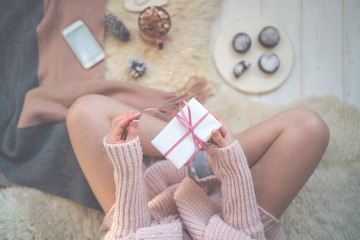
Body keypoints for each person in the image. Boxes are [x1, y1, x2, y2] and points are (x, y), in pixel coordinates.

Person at [66, 94, 330, 239]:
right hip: (233, 218)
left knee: (84, 112)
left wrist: (127, 162)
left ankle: (182, 146)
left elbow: (129, 232)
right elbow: (244, 233)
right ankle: (199, 149)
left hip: (143, 216)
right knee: (309, 127)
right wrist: (231, 165)